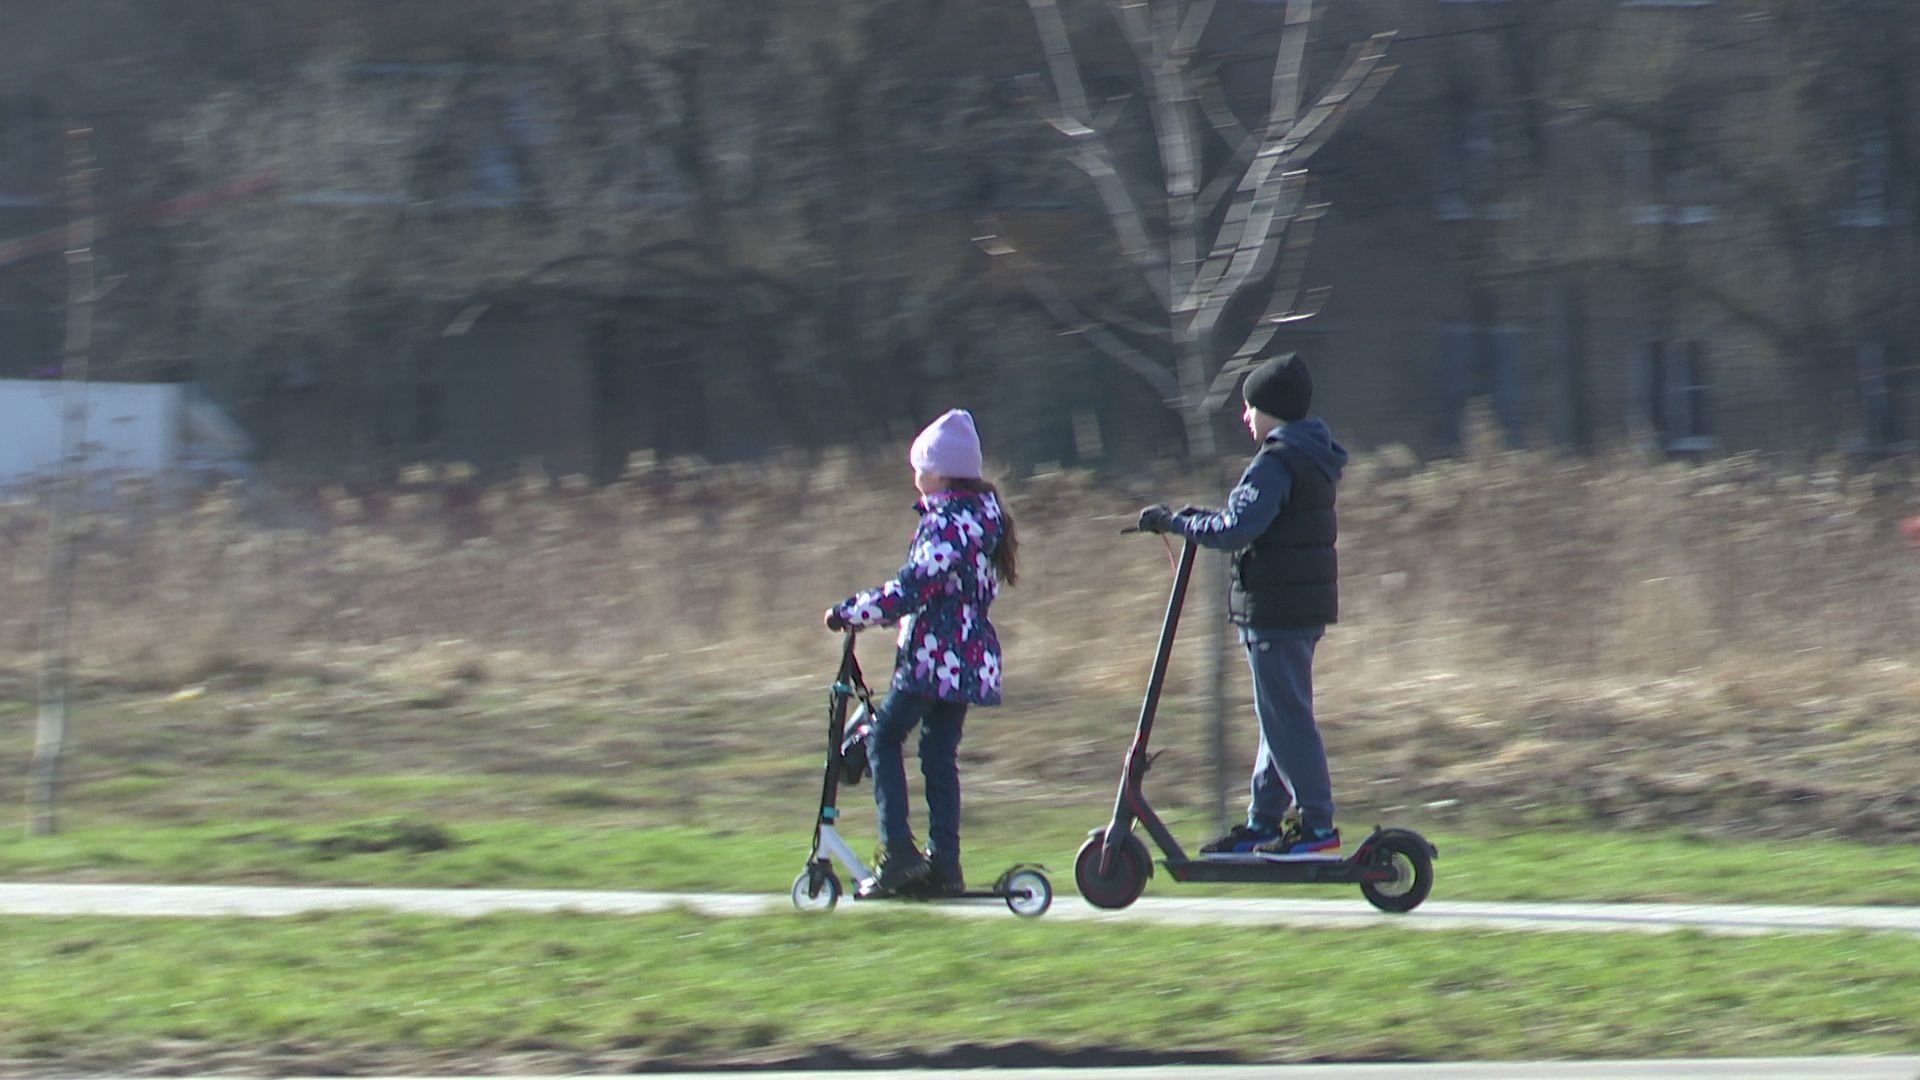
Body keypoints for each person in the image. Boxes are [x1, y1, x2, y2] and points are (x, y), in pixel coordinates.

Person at [1135, 352, 1348, 856]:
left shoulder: (1275, 460)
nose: (1244, 416)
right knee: (1276, 716)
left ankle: (1318, 827)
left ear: (1269, 409)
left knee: (1286, 717)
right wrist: (1190, 516)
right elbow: (1250, 517)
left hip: (1276, 610)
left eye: (1249, 406)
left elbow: (1237, 529)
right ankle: (1264, 822)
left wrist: (1176, 523)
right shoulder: (1308, 455)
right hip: (1295, 607)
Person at [825, 409, 1018, 897]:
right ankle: (945, 864)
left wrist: (850, 612)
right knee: (937, 753)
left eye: (920, 467)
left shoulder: (948, 521)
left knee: (884, 738)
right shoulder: (982, 518)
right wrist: (883, 615)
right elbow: (945, 590)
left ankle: (899, 852)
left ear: (940, 471)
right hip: (969, 656)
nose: (915, 476)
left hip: (934, 654)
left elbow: (912, 589)